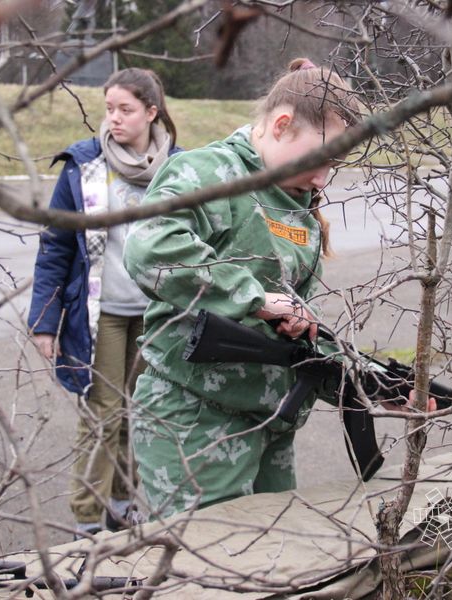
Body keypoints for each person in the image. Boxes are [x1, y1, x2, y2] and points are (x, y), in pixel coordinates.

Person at [124, 58, 362, 519]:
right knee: (204, 576)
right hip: (196, 424)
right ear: (281, 124)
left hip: (268, 423)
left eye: (334, 165)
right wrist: (252, 299)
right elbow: (150, 248)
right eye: (320, 159)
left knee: (274, 567)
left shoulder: (294, 201)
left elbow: (289, 325)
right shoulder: (209, 174)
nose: (322, 179)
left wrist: (363, 384)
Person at [27, 67, 181, 538]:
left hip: (159, 313)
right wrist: (45, 321)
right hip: (104, 315)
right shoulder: (84, 166)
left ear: (151, 112)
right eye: (109, 108)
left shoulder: (181, 168)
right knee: (103, 413)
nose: (113, 118)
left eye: (125, 109)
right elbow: (56, 246)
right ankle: (87, 518)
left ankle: (121, 502)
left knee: (145, 412)